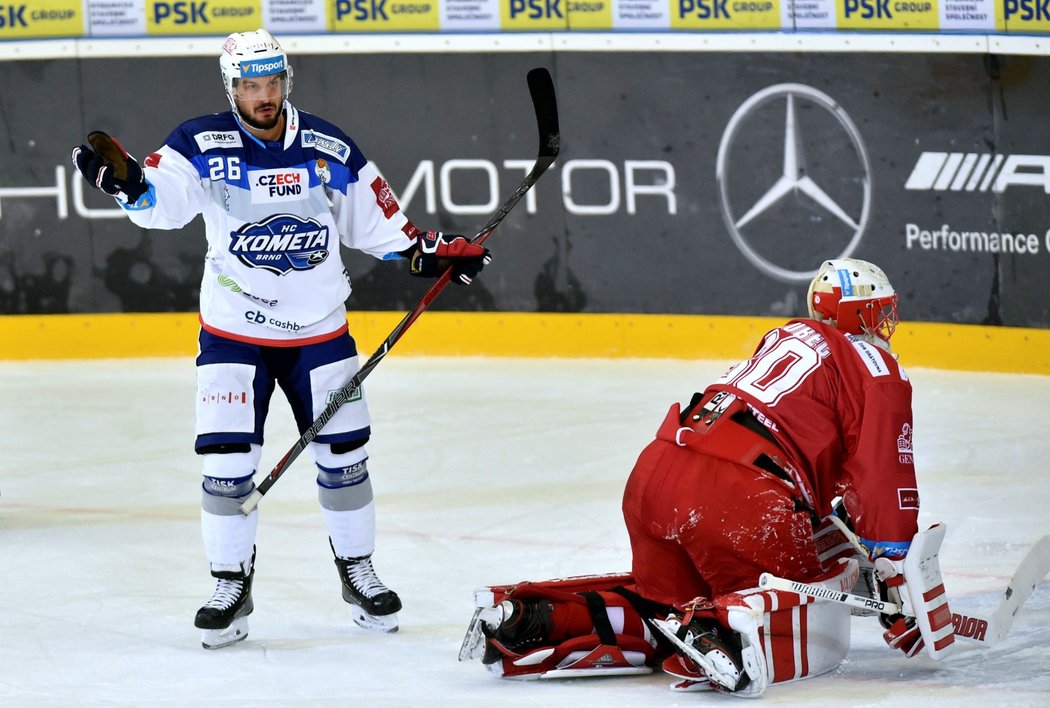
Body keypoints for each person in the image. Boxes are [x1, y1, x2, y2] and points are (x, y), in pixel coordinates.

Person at [71, 28, 491, 650]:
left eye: (271, 83)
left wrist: (430, 254)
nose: (262, 96)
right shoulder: (199, 142)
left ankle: (358, 573)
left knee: (345, 459)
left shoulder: (328, 146)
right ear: (231, 87)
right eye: (249, 85)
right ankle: (229, 585)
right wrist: (132, 185)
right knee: (227, 466)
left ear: (284, 80)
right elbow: (164, 199)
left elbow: (382, 226)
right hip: (233, 338)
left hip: (321, 336)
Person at [460, 258, 954, 696]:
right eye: (880, 309)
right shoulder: (875, 363)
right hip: (736, 498)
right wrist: (891, 566)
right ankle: (719, 632)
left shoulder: (785, 336)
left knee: (661, 612)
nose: (888, 322)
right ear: (862, 314)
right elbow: (883, 471)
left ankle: (529, 619)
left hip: (656, 474)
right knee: (818, 590)